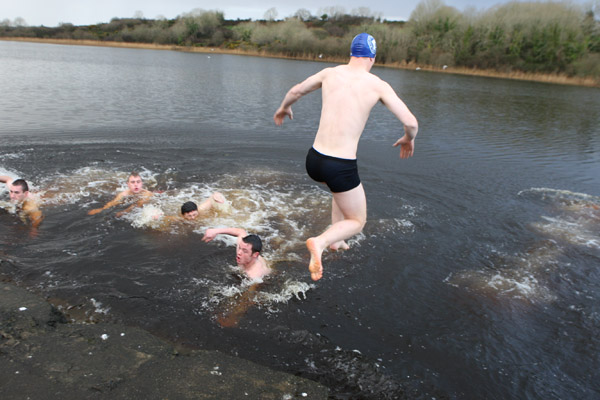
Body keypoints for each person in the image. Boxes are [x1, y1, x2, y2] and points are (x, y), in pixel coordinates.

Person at [273, 32, 419, 281]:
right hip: (340, 165)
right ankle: (320, 242)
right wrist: (408, 138)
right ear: (372, 57)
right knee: (358, 220)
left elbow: (296, 90)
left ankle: (336, 240)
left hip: (314, 160)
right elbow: (411, 122)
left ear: (351, 54)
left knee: (337, 191)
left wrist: (284, 107)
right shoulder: (377, 85)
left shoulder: (330, 73)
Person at [202, 227, 271, 280]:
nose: (239, 252)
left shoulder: (254, 275)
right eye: (240, 248)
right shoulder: (243, 247)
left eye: (245, 251)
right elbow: (241, 231)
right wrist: (215, 231)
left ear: (255, 255)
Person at [87, 172, 153, 216]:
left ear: (142, 183)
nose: (136, 185)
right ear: (128, 184)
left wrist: (123, 212)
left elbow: (138, 205)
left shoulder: (147, 194)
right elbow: (113, 202)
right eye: (133, 182)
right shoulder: (123, 194)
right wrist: (101, 209)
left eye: (138, 182)